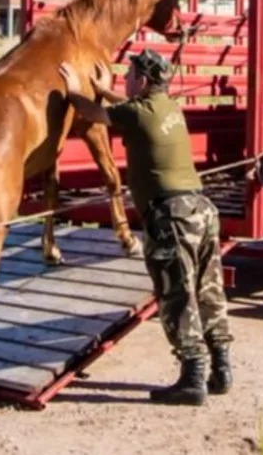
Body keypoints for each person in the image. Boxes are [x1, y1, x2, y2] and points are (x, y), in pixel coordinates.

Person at [58, 49, 233, 406]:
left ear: (143, 80)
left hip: (171, 216)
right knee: (207, 290)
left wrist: (75, 89)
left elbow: (92, 113)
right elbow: (128, 108)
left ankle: (193, 376)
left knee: (177, 295)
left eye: (130, 73)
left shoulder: (136, 112)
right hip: (201, 210)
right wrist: (104, 89)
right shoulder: (167, 107)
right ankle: (222, 366)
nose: (125, 77)